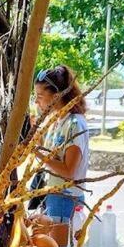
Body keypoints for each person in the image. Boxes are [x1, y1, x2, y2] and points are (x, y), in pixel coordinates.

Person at [30, 65, 91, 225]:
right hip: (52, 193)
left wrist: (37, 152)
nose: (36, 101)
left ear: (56, 96)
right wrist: (37, 138)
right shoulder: (55, 120)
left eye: (40, 96)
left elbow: (69, 171)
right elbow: (52, 154)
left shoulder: (74, 124)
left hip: (65, 197)